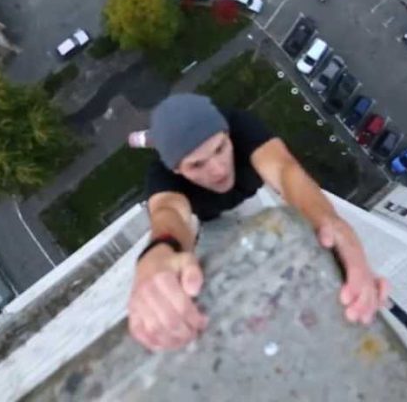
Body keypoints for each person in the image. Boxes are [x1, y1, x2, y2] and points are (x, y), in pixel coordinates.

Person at [126, 94, 388, 352]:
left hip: (225, 170)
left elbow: (286, 171)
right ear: (177, 171)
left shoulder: (240, 126)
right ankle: (147, 138)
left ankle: (151, 137)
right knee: (156, 141)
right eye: (197, 165)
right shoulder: (162, 175)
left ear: (228, 135)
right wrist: (160, 251)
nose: (218, 169)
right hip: (207, 210)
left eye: (220, 148)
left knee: (178, 137)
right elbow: (168, 212)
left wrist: (327, 222)